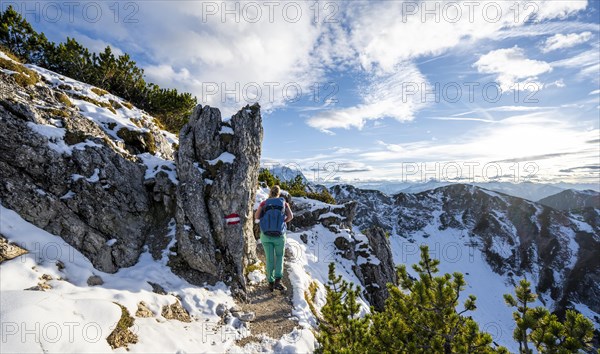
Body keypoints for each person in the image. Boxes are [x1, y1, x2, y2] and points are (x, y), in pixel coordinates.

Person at [254, 185, 293, 292]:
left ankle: (270, 283)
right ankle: (277, 281)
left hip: (266, 235)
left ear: (270, 192)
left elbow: (257, 217)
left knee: (269, 257)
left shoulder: (264, 203)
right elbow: (291, 217)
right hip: (279, 236)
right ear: (279, 193)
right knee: (279, 256)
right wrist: (283, 222)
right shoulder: (284, 203)